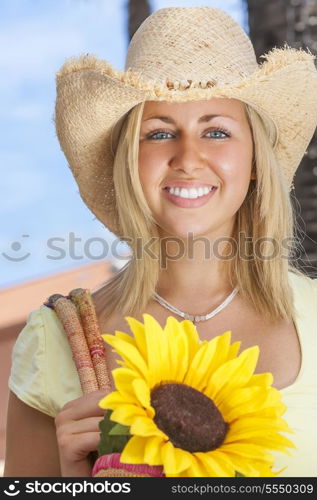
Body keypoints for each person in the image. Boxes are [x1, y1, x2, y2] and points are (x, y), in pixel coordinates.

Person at [4, 6, 317, 477]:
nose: (188, 158)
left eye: (216, 131)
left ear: (255, 160)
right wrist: (75, 485)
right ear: (129, 162)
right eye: (159, 133)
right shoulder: (56, 340)